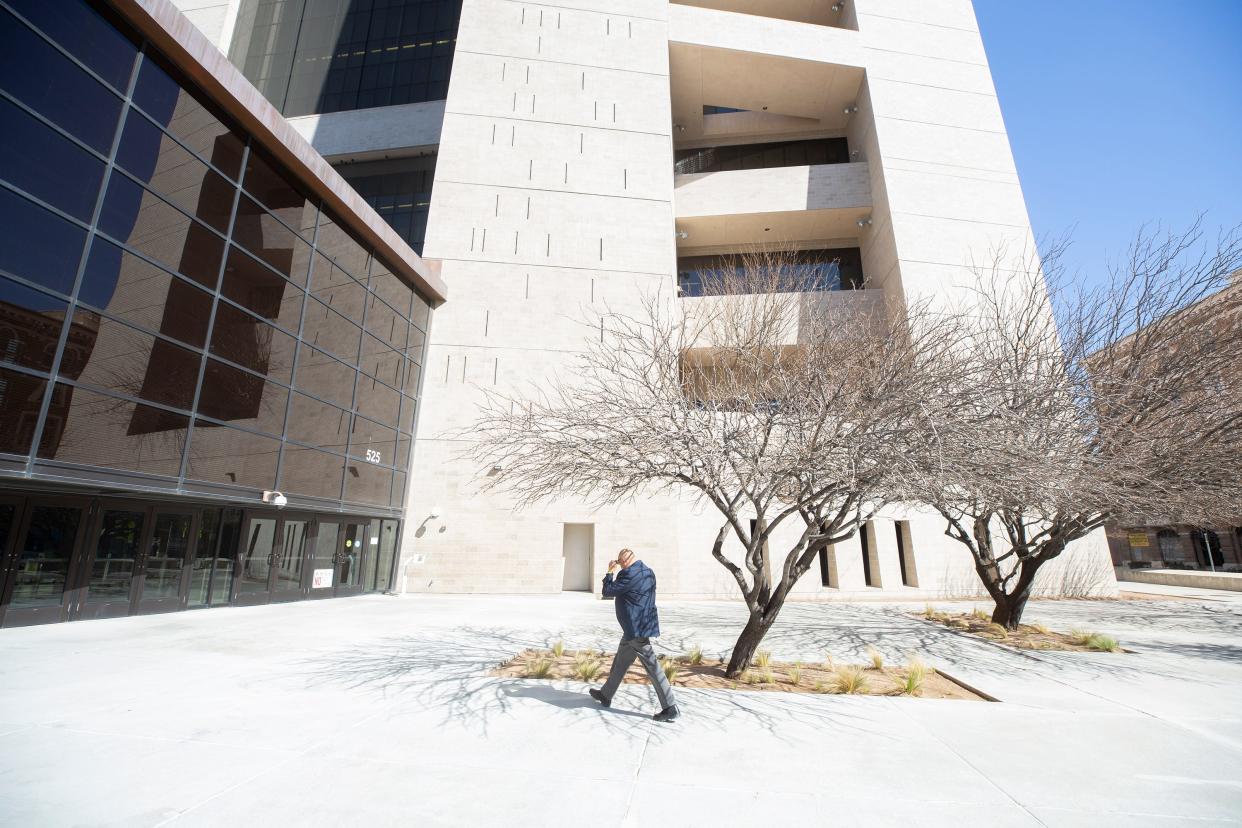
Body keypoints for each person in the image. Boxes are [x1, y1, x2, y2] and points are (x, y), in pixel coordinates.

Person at [589, 548, 680, 722]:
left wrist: (609, 572)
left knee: (653, 667)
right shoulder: (648, 572)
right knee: (620, 663)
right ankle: (606, 694)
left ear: (624, 561)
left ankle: (670, 707)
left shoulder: (628, 574)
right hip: (639, 626)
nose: (620, 565)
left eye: (620, 562)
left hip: (635, 630)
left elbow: (607, 592)